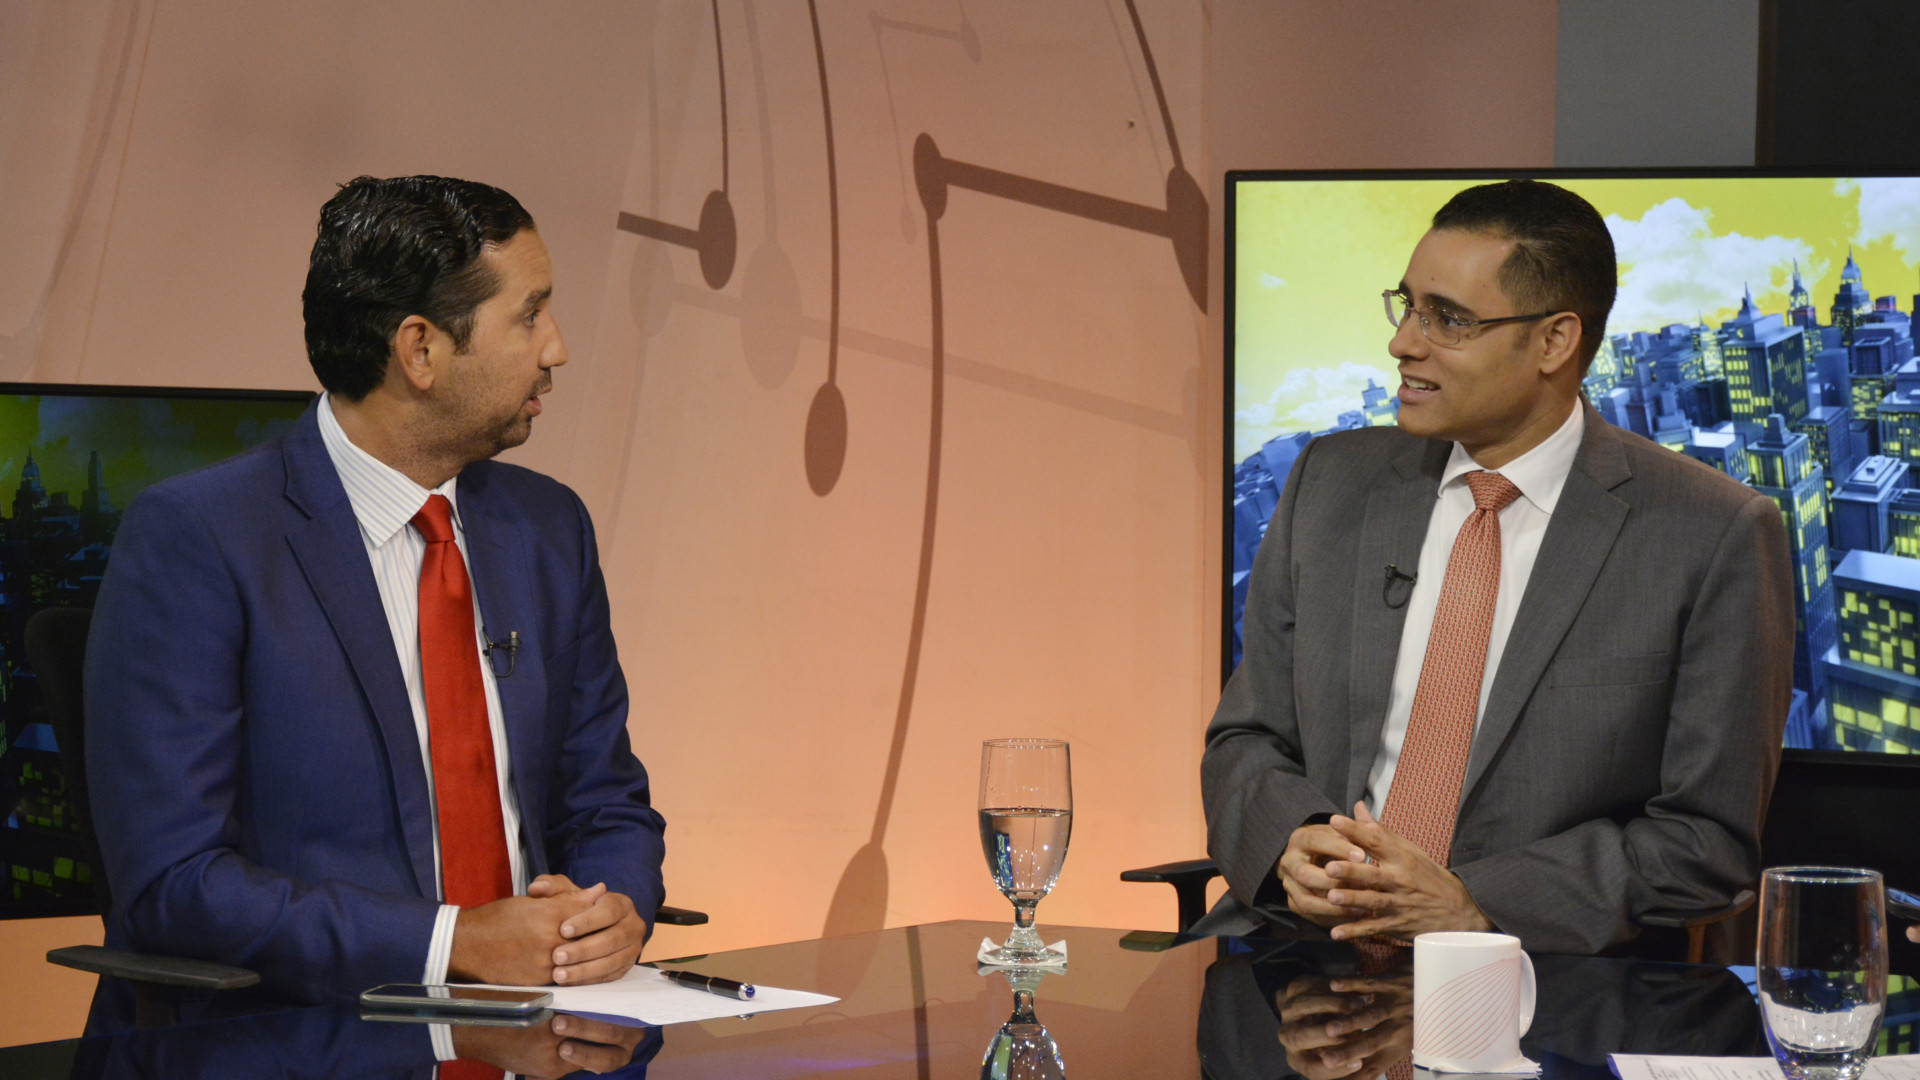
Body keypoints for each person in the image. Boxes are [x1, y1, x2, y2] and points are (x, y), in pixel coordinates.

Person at [86, 175, 666, 1005]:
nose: (557, 349)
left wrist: (613, 912)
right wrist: (453, 944)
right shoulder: (199, 538)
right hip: (300, 1032)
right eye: (529, 315)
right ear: (419, 349)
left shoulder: (549, 530)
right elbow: (172, 884)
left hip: (543, 1028)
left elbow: (607, 802)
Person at [1198, 179, 1795, 954]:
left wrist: (1469, 903)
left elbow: (1705, 845)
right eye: (1407, 305)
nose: (1403, 343)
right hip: (1301, 949)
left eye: (1449, 319)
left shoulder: (1711, 533)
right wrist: (1294, 841)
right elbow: (1244, 739)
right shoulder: (1328, 483)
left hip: (1537, 975)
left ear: (1554, 342)